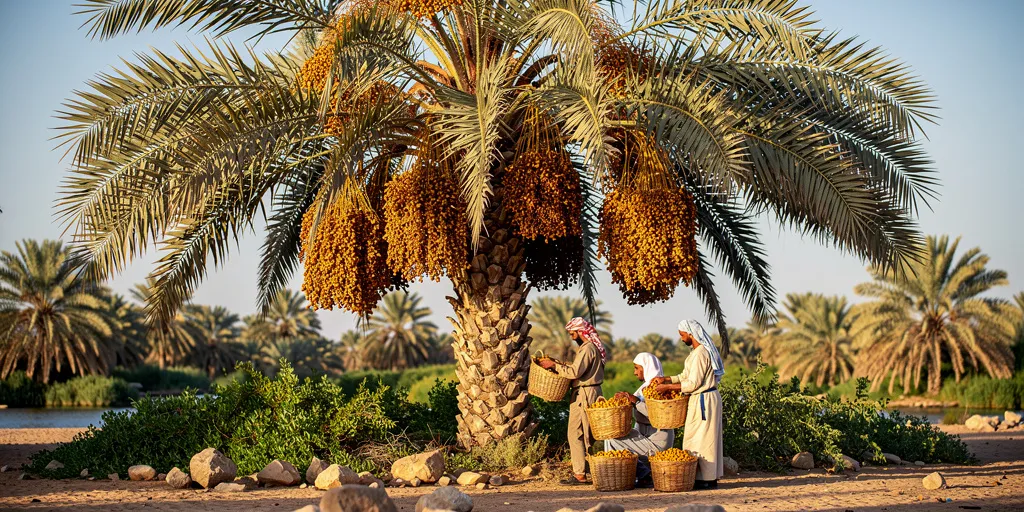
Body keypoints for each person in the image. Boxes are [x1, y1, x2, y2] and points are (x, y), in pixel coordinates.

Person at [651, 319, 725, 489]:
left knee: (704, 440)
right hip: (700, 399)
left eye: (682, 335)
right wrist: (666, 379)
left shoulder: (701, 354)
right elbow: (685, 376)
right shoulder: (695, 353)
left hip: (704, 400)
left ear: (691, 334)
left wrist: (668, 387)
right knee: (696, 439)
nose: (681, 338)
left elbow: (693, 384)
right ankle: (700, 476)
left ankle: (706, 479)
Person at [537, 317, 606, 485]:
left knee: (582, 434)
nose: (571, 336)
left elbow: (575, 372)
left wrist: (553, 366)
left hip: (585, 393)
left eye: (572, 333)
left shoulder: (587, 348)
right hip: (586, 392)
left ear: (580, 332)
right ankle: (590, 471)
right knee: (585, 433)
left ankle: (583, 473)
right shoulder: (588, 348)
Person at [606, 352, 675, 487]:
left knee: (611, 439)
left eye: (637, 368)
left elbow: (658, 415)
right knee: (612, 433)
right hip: (645, 437)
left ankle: (642, 473)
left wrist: (636, 402)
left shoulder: (658, 388)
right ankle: (623, 474)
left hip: (657, 441)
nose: (635, 372)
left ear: (646, 367)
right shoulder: (644, 387)